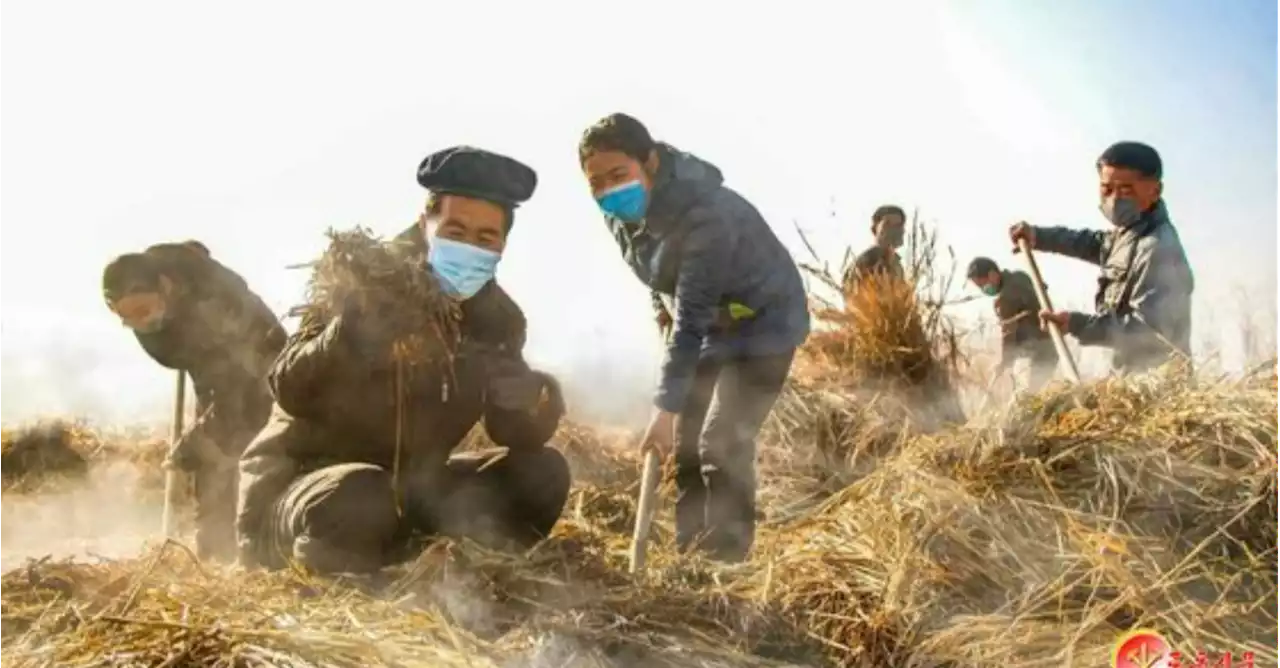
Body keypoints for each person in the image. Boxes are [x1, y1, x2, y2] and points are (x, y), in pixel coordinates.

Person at [236, 146, 570, 575]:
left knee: (542, 473)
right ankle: (347, 571)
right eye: (455, 231)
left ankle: (453, 569)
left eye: (486, 238)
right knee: (361, 497)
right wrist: (350, 332)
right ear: (424, 223)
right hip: (308, 491)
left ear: (503, 244)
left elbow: (507, 429)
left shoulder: (496, 320)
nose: (470, 248)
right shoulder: (364, 280)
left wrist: (531, 399)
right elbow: (290, 387)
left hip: (412, 493)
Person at [578, 113, 810, 563]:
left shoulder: (706, 214)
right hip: (709, 324)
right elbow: (655, 273)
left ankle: (728, 564)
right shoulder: (623, 215)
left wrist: (662, 407)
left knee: (720, 442)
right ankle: (689, 558)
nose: (608, 190)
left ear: (650, 161)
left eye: (618, 175)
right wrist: (658, 312)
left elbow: (691, 317)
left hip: (766, 325)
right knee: (684, 447)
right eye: (596, 182)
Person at [102, 240, 286, 561]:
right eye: (129, 318)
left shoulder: (217, 304)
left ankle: (257, 549)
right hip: (209, 371)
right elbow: (190, 363)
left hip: (259, 364)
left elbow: (239, 387)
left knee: (245, 446)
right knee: (212, 457)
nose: (141, 323)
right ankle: (215, 551)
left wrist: (199, 437)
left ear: (166, 286)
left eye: (144, 311)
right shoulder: (151, 306)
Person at [1010, 141, 1195, 374]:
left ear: (1155, 191)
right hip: (1127, 381)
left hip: (1159, 388)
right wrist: (1038, 236)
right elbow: (1091, 243)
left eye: (1126, 190)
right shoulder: (1128, 234)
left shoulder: (1159, 249)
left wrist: (1077, 324)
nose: (1115, 199)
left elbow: (1149, 332)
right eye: (1107, 189)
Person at [967, 256, 1057, 391]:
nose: (983, 289)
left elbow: (1009, 332)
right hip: (1051, 342)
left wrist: (1004, 361)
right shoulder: (1020, 276)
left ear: (992, 275)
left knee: (1030, 395)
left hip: (1039, 349)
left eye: (982, 285)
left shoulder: (1005, 298)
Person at [844, 204, 907, 290]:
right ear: (874, 229)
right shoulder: (865, 263)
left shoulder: (896, 265)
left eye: (898, 225)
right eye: (888, 224)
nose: (894, 230)